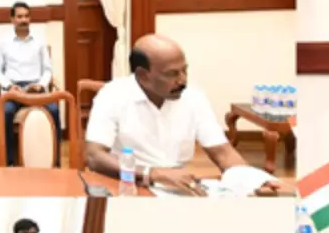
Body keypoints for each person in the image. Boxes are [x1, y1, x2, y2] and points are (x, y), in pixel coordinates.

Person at [85, 33, 281, 196]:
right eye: (172, 74)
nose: (182, 80)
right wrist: (152, 174)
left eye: (185, 71)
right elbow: (94, 156)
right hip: (127, 185)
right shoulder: (113, 95)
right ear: (143, 76)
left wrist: (251, 180)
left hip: (177, 188)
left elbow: (223, 153)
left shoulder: (194, 97)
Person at [0, 2, 58, 165]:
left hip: (35, 88)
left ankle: (55, 160)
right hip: (14, 90)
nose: (24, 20)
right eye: (19, 16)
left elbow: (48, 70)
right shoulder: (4, 42)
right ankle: (9, 162)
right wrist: (9, 86)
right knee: (6, 112)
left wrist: (41, 85)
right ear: (12, 19)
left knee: (54, 110)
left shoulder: (39, 41)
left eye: (26, 16)